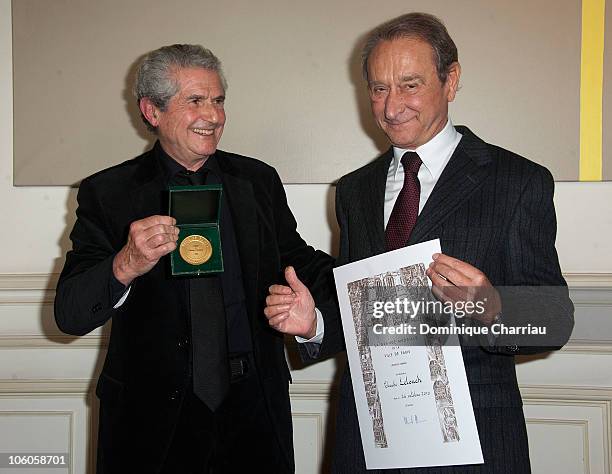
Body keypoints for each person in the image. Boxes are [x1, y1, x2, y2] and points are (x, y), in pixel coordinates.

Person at [264, 13, 574, 473]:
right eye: (379, 88)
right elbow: (367, 312)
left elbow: (554, 320)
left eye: (410, 85)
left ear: (452, 81)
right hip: (367, 437)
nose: (391, 108)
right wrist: (317, 324)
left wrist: (491, 308)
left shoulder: (518, 181)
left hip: (475, 443)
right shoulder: (353, 190)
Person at [54, 44, 332, 474]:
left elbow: (298, 261)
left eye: (218, 100)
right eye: (196, 101)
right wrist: (125, 264)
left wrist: (378, 274)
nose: (214, 115)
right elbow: (70, 313)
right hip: (150, 427)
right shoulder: (108, 193)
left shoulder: (257, 181)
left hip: (254, 416)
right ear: (152, 111)